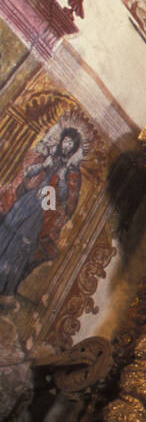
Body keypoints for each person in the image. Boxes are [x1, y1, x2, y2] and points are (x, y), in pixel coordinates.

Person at [0, 126, 82, 295]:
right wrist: (43, 166)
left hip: (41, 209)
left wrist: (60, 180)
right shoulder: (51, 157)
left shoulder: (70, 170)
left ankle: (3, 285)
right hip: (27, 201)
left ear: (73, 148)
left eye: (70, 144)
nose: (66, 146)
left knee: (23, 242)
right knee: (8, 229)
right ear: (61, 141)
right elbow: (29, 172)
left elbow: (63, 198)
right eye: (65, 141)